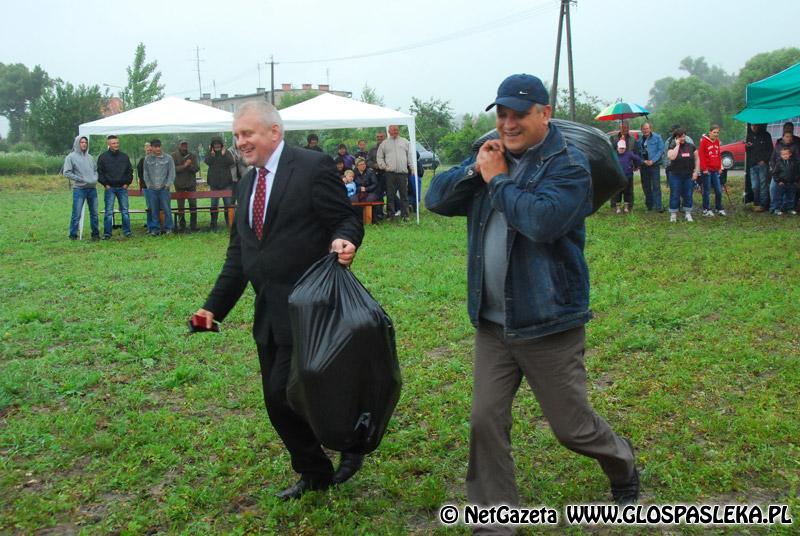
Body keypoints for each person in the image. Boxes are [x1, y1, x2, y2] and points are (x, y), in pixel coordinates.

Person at [425, 74, 639, 530]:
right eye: (501, 114)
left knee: (571, 428)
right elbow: (437, 199)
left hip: (548, 321)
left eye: (518, 114)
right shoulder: (491, 156)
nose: (508, 123)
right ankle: (496, 518)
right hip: (494, 322)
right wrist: (474, 168)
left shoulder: (570, 165)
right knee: (485, 421)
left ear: (545, 113)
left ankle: (622, 462)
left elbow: (542, 222)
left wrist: (498, 181)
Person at [193, 101, 364, 501]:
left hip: (312, 306)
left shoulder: (312, 167)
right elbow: (240, 253)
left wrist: (345, 239)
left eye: (247, 134)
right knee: (287, 398)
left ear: (274, 132)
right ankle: (317, 472)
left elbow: (346, 218)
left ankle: (347, 444)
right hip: (270, 311)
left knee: (283, 394)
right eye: (236, 136)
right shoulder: (248, 182)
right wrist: (212, 308)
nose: (240, 143)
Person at [97, 134, 134, 238]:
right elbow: (100, 173)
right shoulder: (103, 157)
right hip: (110, 188)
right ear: (108, 144)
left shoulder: (124, 156)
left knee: (125, 211)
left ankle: (127, 232)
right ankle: (107, 233)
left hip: (123, 187)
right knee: (108, 212)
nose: (116, 145)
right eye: (113, 143)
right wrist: (105, 184)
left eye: (117, 143)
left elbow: (129, 171)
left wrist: (127, 183)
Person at [64, 135, 100, 240]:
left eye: (85, 142)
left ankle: (95, 234)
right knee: (77, 214)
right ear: (77, 143)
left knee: (94, 213)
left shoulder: (90, 157)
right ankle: (73, 235)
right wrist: (80, 179)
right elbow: (67, 172)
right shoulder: (70, 157)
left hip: (92, 189)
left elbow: (95, 170)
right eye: (82, 142)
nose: (84, 144)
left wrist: (95, 178)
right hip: (79, 189)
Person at [377, 125, 414, 221]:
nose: (395, 131)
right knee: (390, 195)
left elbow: (410, 156)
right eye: (393, 130)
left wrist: (412, 168)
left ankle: (405, 215)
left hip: (402, 173)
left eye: (397, 130)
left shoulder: (405, 142)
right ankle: (390, 215)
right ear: (389, 132)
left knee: (404, 195)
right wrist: (383, 166)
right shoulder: (384, 143)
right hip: (390, 173)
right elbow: (379, 157)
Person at [142, 139, 175, 236]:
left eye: (159, 146)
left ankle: (168, 228)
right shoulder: (147, 159)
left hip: (164, 189)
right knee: (154, 209)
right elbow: (146, 173)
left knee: (166, 209)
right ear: (151, 147)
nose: (158, 148)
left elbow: (172, 173)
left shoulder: (168, 158)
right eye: (155, 147)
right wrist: (148, 185)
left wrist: (168, 185)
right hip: (152, 189)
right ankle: (155, 229)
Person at [666, 128, 699, 223]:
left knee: (688, 193)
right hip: (675, 175)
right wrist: (677, 145)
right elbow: (672, 157)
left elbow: (697, 159)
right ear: (676, 137)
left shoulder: (691, 146)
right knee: (675, 193)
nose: (682, 138)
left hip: (688, 175)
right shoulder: (671, 146)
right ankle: (673, 214)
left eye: (684, 136)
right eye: (680, 136)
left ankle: (687, 213)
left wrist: (696, 172)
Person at [205, 137, 236, 230]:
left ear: (221, 145)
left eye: (218, 144)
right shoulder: (210, 153)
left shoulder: (226, 152)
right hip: (214, 184)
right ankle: (213, 224)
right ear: (213, 145)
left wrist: (224, 155)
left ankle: (229, 223)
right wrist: (212, 156)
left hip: (226, 184)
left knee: (228, 204)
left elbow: (231, 162)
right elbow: (207, 162)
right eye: (215, 144)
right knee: (214, 205)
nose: (217, 146)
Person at [172, 140, 200, 232]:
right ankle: (182, 225)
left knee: (193, 205)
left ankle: (193, 225)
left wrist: (190, 165)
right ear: (179, 145)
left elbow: (197, 168)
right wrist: (184, 166)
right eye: (182, 145)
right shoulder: (174, 156)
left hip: (191, 184)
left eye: (186, 145)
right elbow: (173, 169)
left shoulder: (193, 155)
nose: (184, 146)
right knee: (180, 206)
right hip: (179, 184)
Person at [636, 122, 665, 212]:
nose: (645, 130)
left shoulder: (657, 137)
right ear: (641, 130)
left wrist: (653, 161)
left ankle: (658, 206)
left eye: (647, 128)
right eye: (643, 129)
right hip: (644, 166)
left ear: (650, 129)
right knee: (646, 186)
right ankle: (649, 205)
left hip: (654, 165)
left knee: (656, 186)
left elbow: (661, 150)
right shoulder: (640, 140)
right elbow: (637, 153)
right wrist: (643, 161)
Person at [745, 124, 773, 212]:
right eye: (752, 126)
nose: (754, 127)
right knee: (755, 186)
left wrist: (764, 160)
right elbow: (748, 151)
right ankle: (756, 203)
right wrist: (747, 146)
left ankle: (763, 205)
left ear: (759, 125)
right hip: (752, 165)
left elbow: (770, 150)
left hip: (762, 165)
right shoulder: (749, 136)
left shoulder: (766, 135)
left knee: (763, 185)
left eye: (755, 126)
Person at [698, 125, 725, 217]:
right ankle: (706, 209)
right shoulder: (704, 141)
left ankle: (719, 208)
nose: (716, 134)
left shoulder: (717, 141)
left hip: (715, 169)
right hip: (707, 170)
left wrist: (720, 166)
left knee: (718, 190)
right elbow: (701, 156)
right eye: (714, 132)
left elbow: (718, 154)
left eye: (717, 132)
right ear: (710, 132)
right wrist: (704, 169)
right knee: (707, 190)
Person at [611, 139, 641, 214]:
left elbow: (637, 158)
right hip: (617, 178)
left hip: (628, 176)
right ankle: (617, 207)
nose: (621, 149)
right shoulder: (613, 154)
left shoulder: (629, 154)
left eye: (623, 148)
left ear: (625, 148)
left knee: (628, 192)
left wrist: (636, 166)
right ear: (617, 148)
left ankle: (626, 207)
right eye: (620, 148)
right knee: (617, 193)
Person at [769, 146, 799, 215]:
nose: (785, 156)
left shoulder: (793, 163)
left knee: (790, 196)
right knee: (778, 196)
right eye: (783, 154)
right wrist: (778, 181)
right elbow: (775, 173)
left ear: (790, 154)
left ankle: (790, 208)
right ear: (781, 155)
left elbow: (796, 172)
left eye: (786, 154)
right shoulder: (779, 163)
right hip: (781, 183)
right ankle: (777, 209)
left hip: (791, 183)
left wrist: (795, 180)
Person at [367, 130, 387, 221]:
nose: (379, 138)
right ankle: (380, 213)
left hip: (388, 174)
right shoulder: (372, 149)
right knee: (378, 194)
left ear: (385, 137)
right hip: (376, 174)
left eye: (381, 137)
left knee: (391, 194)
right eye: (378, 137)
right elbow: (368, 161)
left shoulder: (389, 147)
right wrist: (375, 165)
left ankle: (393, 211)